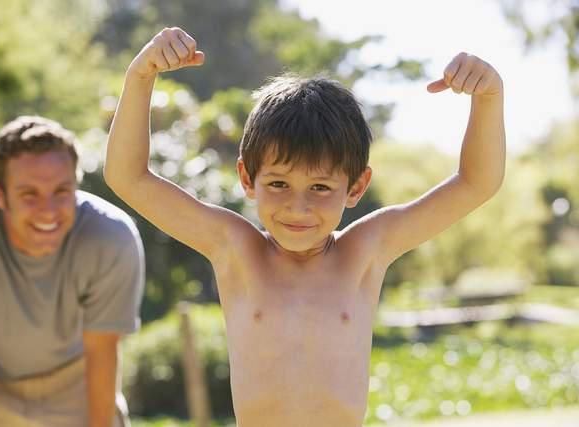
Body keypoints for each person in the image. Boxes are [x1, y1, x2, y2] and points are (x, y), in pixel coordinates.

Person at [104, 27, 505, 427]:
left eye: (320, 187)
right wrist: (141, 76)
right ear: (247, 179)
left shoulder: (365, 251)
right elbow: (128, 177)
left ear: (356, 187)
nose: (298, 207)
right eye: (278, 184)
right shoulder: (236, 249)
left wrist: (488, 98)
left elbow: (475, 183)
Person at [0, 116, 145, 427]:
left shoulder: (111, 238)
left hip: (75, 380)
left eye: (62, 191)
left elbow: (102, 352)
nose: (48, 211)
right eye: (29, 195)